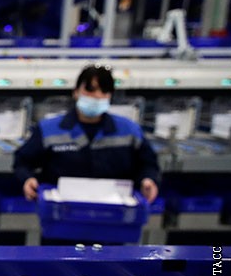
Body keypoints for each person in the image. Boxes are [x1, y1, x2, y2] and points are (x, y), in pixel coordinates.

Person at [13, 64, 160, 203]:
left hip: (115, 211)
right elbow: (22, 162)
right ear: (75, 92)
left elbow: (148, 164)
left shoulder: (129, 130)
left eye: (104, 91)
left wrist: (148, 180)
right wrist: (27, 179)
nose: (97, 96)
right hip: (62, 209)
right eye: (90, 90)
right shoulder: (49, 129)